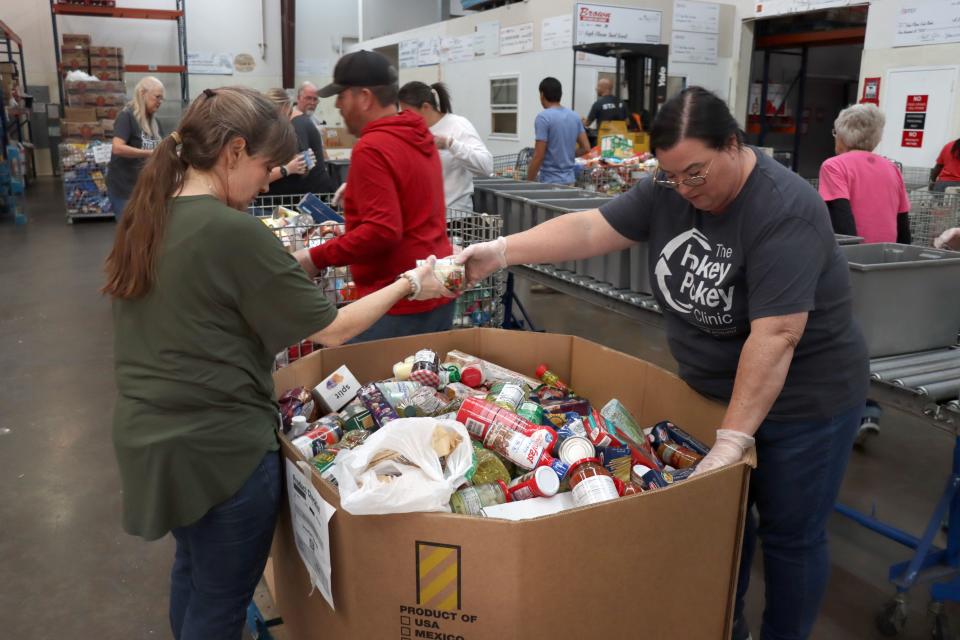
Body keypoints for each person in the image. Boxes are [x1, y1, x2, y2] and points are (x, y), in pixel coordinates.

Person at [457, 86, 868, 640]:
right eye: (672, 176)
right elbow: (589, 229)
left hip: (804, 404)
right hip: (715, 394)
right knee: (723, 528)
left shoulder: (784, 207)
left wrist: (732, 440)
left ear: (733, 145)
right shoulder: (670, 190)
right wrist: (504, 251)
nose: (685, 189)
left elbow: (777, 334)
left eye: (696, 173)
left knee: (791, 538)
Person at [102, 86, 451, 640]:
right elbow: (334, 328)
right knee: (220, 604)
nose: (270, 180)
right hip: (221, 450)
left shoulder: (148, 216)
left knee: (193, 576)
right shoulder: (230, 230)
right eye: (267, 166)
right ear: (234, 151)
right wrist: (411, 280)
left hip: (155, 444)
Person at [293, 50, 455, 341]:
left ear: (364, 97)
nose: (339, 106)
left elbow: (382, 231)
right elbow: (410, 200)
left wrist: (313, 257)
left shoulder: (372, 147)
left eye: (342, 95)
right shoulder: (416, 135)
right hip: (436, 286)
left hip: (397, 299)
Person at [818, 103, 910, 447]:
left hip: (853, 266)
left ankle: (859, 410)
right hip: (886, 267)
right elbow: (903, 227)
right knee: (869, 339)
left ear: (842, 135)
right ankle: (867, 407)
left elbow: (841, 221)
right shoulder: (891, 169)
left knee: (839, 339)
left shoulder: (834, 166)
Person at [397, 81, 493, 210]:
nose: (405, 118)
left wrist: (450, 144)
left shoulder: (457, 125)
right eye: (401, 113)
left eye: (408, 113)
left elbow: (486, 166)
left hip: (454, 218)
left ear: (426, 107)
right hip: (422, 217)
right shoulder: (409, 131)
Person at [106, 76, 164, 220]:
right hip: (125, 189)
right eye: (157, 97)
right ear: (143, 93)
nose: (160, 102)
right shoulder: (127, 117)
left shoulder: (155, 123)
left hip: (146, 189)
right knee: (128, 232)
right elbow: (117, 148)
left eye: (162, 98)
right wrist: (149, 153)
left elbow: (161, 149)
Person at [263, 87, 336, 195]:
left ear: (285, 107)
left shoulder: (296, 126)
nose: (273, 122)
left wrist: (286, 167)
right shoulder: (296, 123)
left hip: (309, 195)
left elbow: (303, 163)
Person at [527, 77, 591, 185]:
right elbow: (586, 148)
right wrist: (567, 155)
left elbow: (539, 156)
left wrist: (527, 183)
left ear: (542, 95)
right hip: (570, 182)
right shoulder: (574, 116)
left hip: (550, 184)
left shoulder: (543, 118)